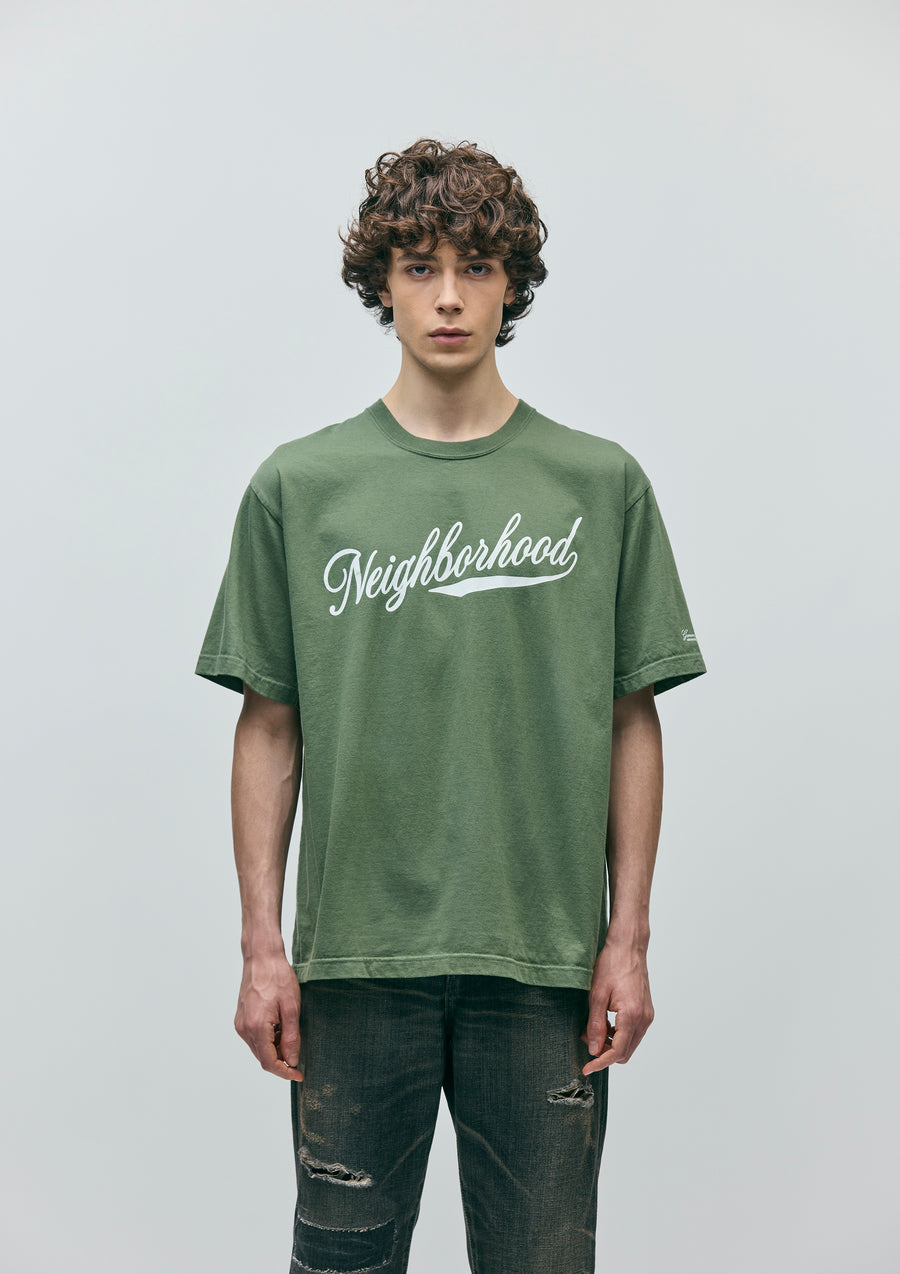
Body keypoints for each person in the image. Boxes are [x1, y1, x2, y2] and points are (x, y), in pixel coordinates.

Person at [195, 137, 707, 1274]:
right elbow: (268, 725)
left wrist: (628, 939)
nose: (447, 297)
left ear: (512, 285)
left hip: (544, 966)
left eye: (476, 267)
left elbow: (634, 718)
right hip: (353, 965)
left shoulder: (599, 484)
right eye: (419, 266)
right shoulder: (300, 487)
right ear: (380, 283)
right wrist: (261, 948)